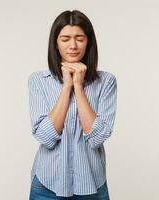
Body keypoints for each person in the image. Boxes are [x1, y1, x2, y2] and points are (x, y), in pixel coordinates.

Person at [28, 9, 117, 199]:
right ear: (56, 44)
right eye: (65, 38)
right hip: (47, 185)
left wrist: (78, 85)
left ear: (89, 42)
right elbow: (45, 137)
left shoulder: (106, 82)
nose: (73, 45)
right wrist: (66, 86)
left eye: (80, 38)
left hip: (92, 185)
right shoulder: (38, 81)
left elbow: (97, 137)